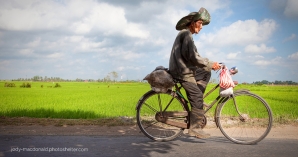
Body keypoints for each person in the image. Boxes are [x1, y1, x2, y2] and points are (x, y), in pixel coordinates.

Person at [169, 7, 221, 139]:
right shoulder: (186, 35)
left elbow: (196, 56)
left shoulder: (187, 35)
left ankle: (196, 103)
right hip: (182, 72)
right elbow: (193, 57)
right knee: (197, 96)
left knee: (206, 72)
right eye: (200, 23)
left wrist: (210, 64)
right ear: (193, 23)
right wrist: (209, 63)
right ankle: (195, 127)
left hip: (185, 69)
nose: (202, 27)